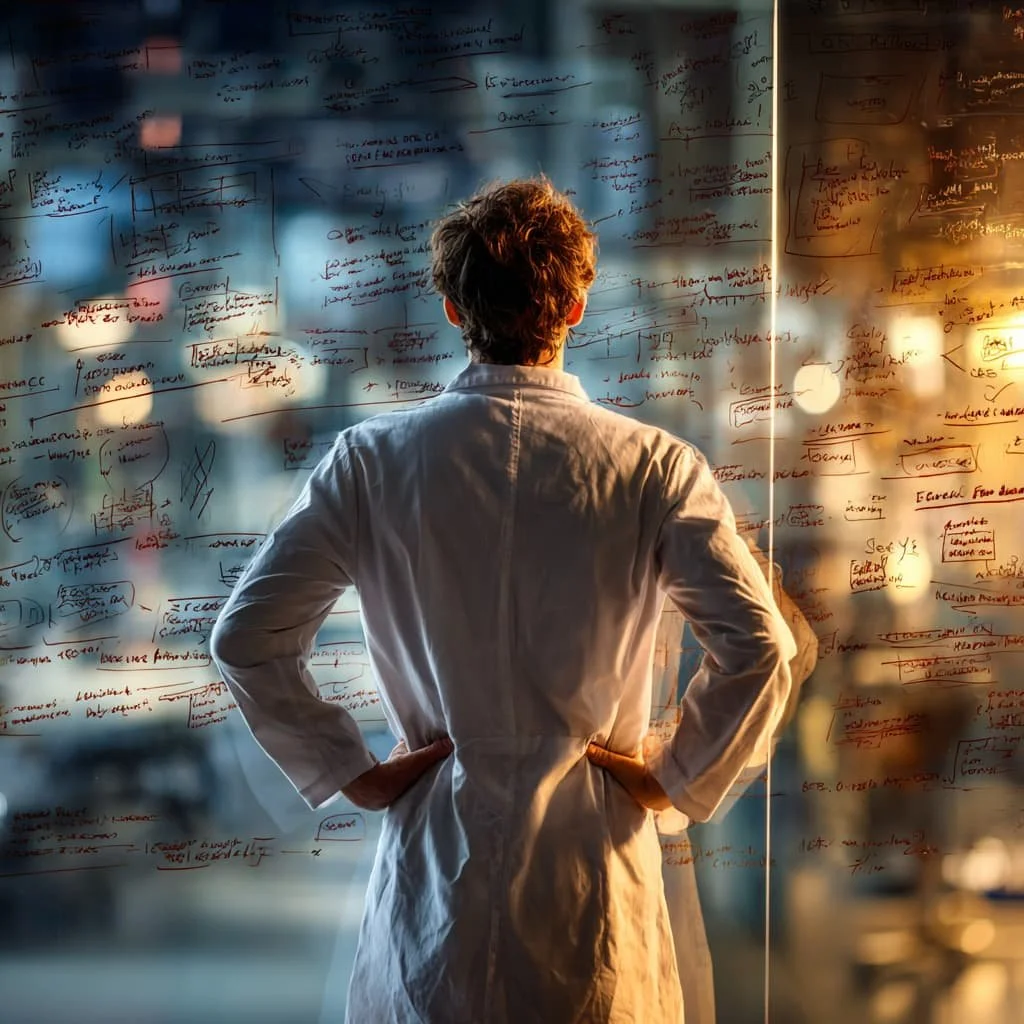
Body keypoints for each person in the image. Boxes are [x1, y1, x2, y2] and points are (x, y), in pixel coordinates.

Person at [210, 176, 796, 1023]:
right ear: (578, 307)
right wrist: (670, 778)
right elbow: (762, 648)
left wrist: (353, 772)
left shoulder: (372, 463)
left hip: (434, 885)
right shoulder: (656, 468)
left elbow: (246, 640)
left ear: (454, 311)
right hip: (593, 888)